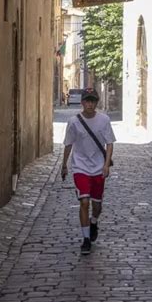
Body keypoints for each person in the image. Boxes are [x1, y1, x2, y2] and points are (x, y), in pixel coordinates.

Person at [61, 88, 115, 255]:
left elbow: (109, 143)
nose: (90, 104)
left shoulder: (104, 120)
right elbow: (68, 144)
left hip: (98, 167)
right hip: (80, 167)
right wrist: (64, 165)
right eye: (87, 101)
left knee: (97, 205)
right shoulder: (74, 122)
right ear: (82, 102)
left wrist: (106, 165)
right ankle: (85, 239)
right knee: (84, 202)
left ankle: (93, 222)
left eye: (93, 101)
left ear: (96, 103)